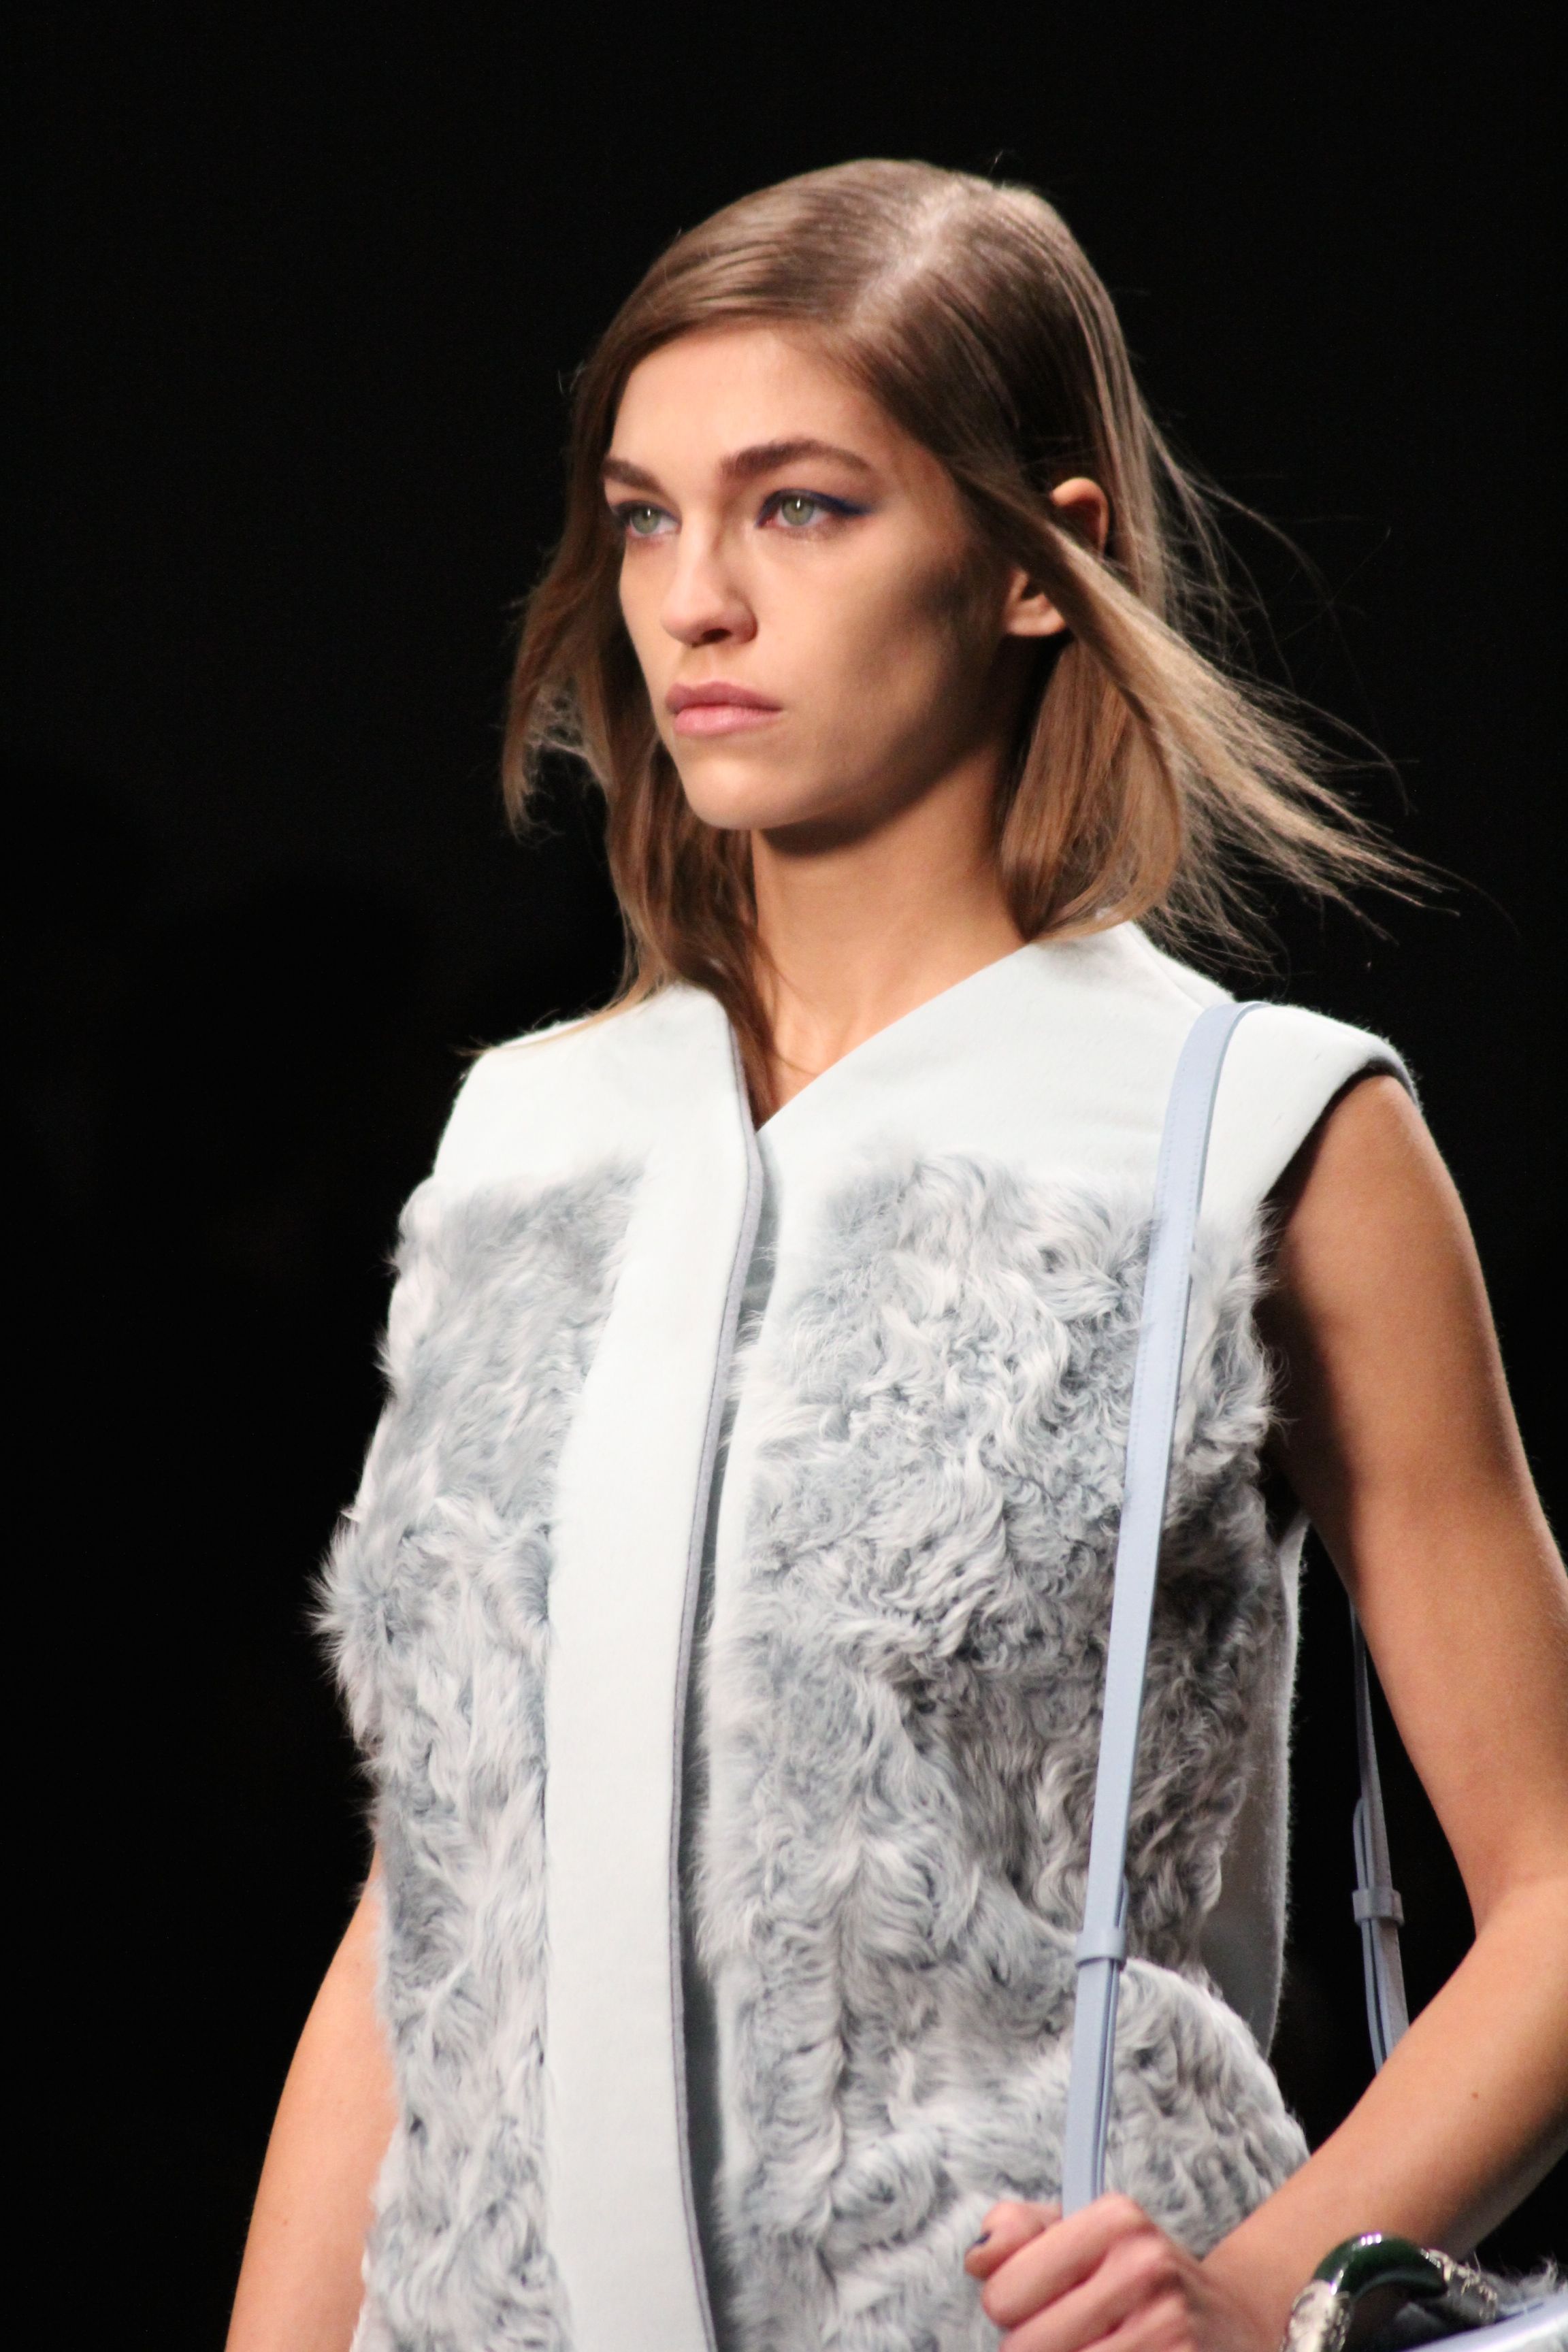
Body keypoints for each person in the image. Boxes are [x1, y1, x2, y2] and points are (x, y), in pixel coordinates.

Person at [227, 161, 1568, 2352]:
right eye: (645, 518)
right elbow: (441, 1909)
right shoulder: (527, 1142)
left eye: (803, 506)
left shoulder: (1252, 1131)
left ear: (1041, 559)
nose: (695, 602)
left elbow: (1561, 1890)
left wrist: (1256, 2298)